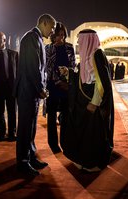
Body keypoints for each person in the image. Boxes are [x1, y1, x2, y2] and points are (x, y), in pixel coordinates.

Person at [61, 29, 114, 172]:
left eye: (80, 39)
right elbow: (81, 76)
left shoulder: (97, 54)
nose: (78, 42)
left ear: (88, 39)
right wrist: (69, 72)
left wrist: (95, 102)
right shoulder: (86, 56)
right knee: (83, 132)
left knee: (93, 133)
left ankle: (93, 162)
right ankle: (83, 159)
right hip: (83, 100)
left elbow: (101, 82)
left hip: (92, 102)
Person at [13, 14, 56, 176]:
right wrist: (41, 88)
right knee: (25, 128)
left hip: (32, 92)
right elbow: (33, 67)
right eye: (51, 27)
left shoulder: (36, 38)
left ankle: (30, 157)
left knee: (31, 128)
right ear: (44, 23)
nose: (52, 31)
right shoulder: (31, 37)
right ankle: (22, 163)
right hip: (27, 91)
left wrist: (39, 89)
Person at [45, 22, 76, 153]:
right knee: (51, 117)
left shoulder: (69, 48)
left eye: (63, 35)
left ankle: (65, 141)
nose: (61, 38)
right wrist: (57, 80)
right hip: (52, 86)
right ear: (53, 35)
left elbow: (73, 66)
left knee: (65, 116)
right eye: (58, 35)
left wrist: (66, 81)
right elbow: (46, 68)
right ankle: (53, 144)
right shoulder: (48, 48)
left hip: (66, 86)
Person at [0, 31, 18, 142]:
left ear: (4, 40)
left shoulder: (14, 54)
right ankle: (1, 133)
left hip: (10, 87)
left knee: (12, 111)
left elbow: (18, 71)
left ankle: (12, 133)